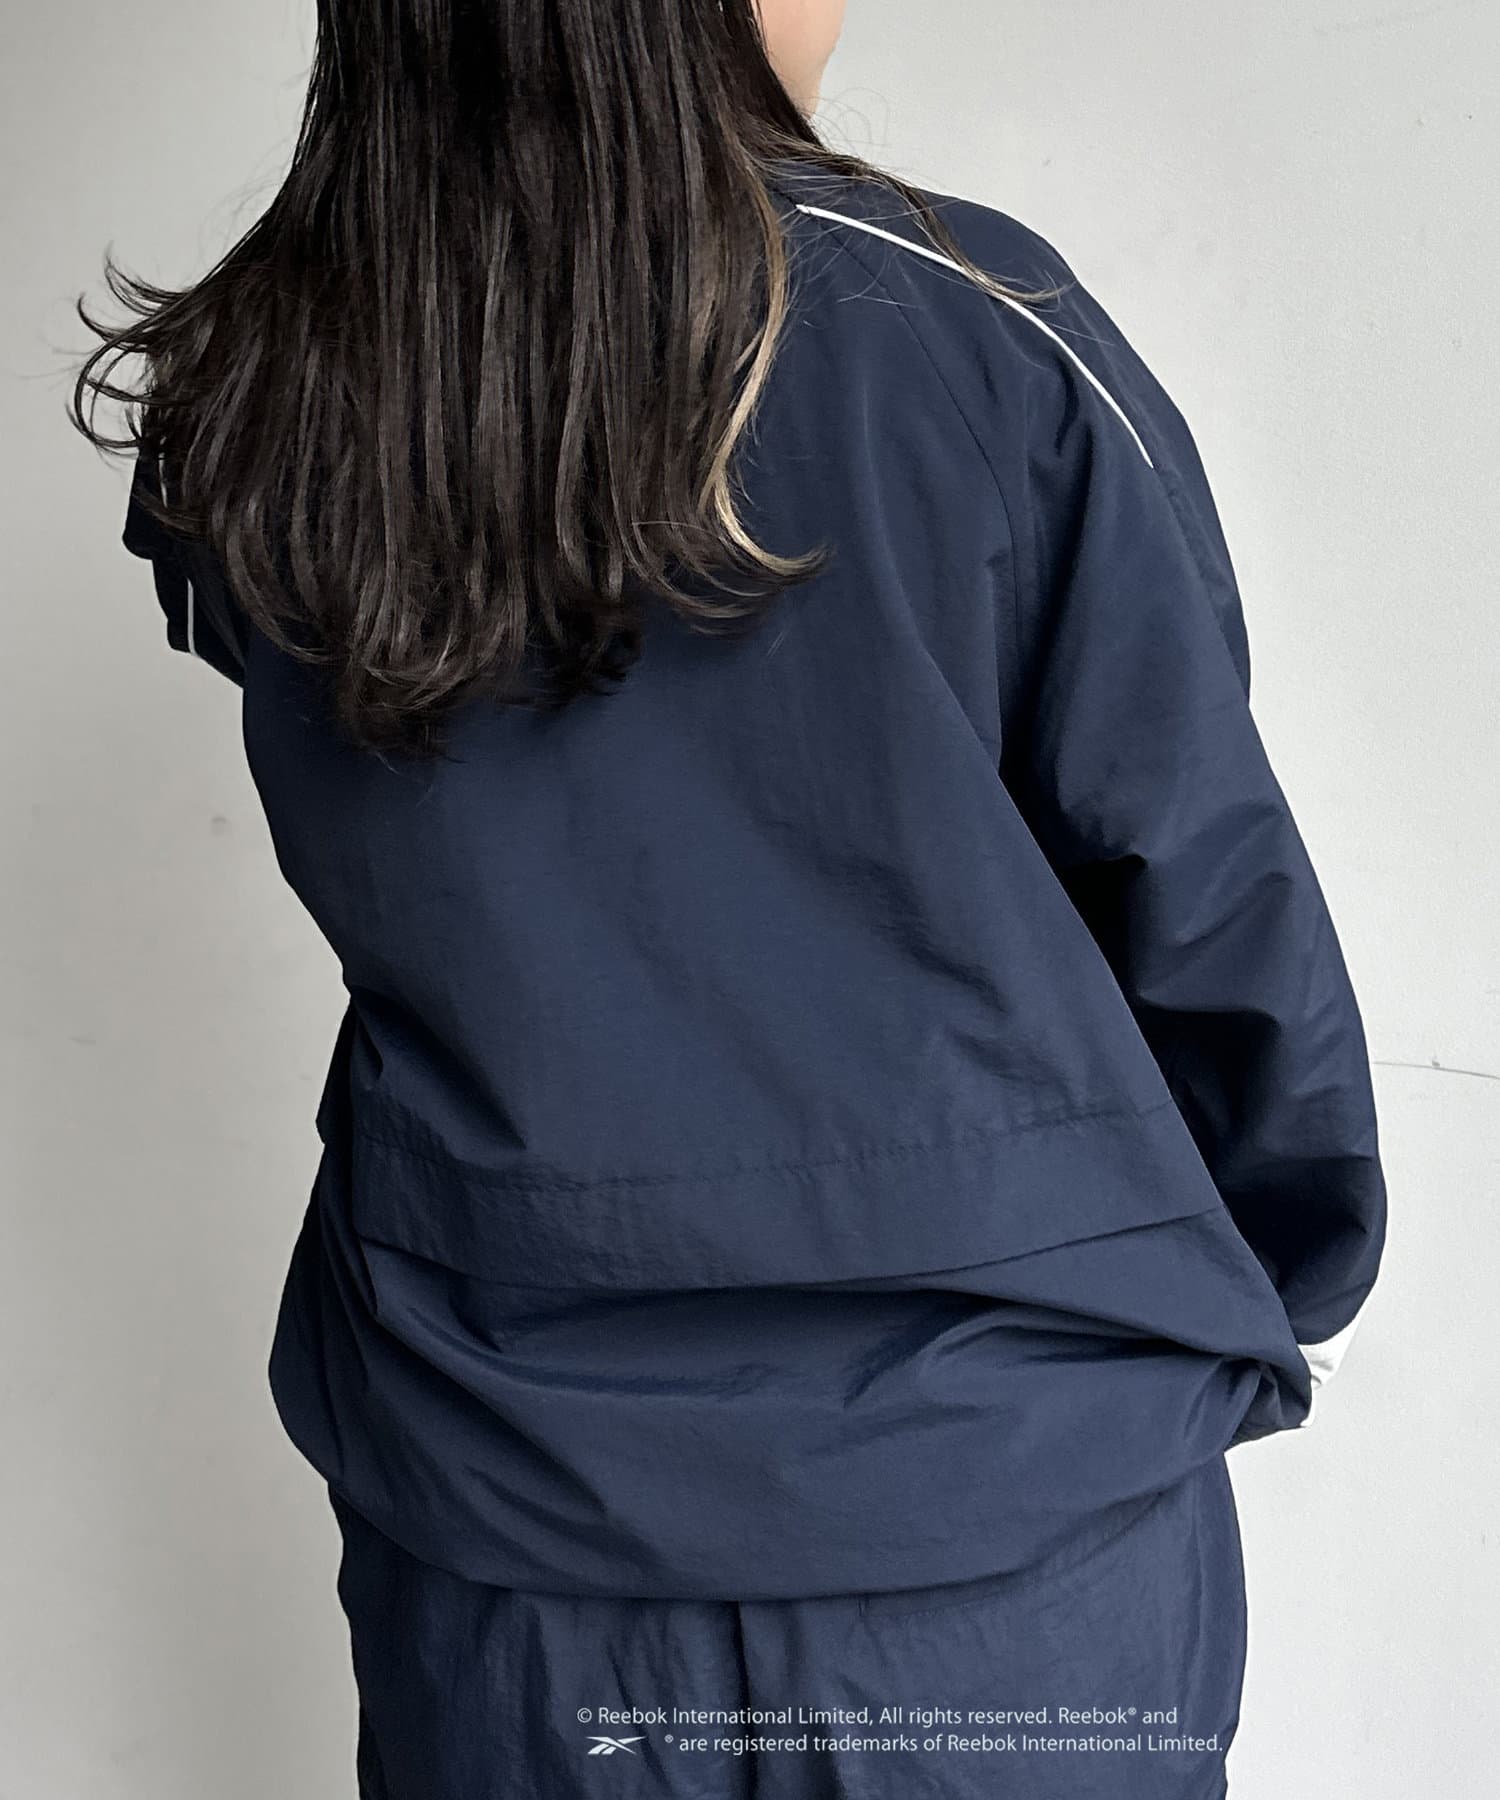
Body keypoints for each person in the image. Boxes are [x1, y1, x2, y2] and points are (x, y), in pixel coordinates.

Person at [70, 2, 1388, 1795]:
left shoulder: (268, 376)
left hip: (509, 1547)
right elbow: (1211, 908)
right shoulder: (971, 326)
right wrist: (1264, 1269)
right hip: (993, 1532)